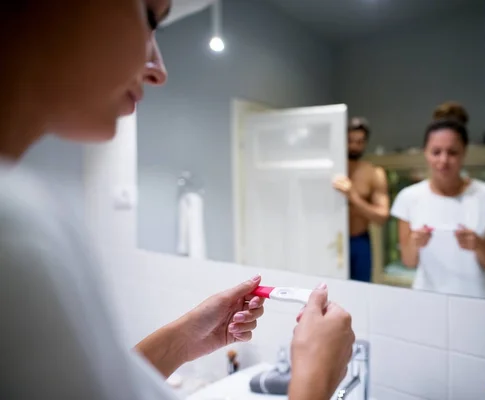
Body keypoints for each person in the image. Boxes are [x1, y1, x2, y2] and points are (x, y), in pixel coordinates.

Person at [0, 2, 355, 400]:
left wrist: (182, 341)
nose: (159, 70)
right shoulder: (16, 229)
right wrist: (315, 382)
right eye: (151, 18)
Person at [390, 110, 485, 298]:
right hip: (427, 298)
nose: (443, 160)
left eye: (452, 152)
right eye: (436, 152)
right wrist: (414, 242)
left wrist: (478, 245)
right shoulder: (409, 197)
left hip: (478, 298)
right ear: (425, 153)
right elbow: (409, 261)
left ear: (464, 153)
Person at [333, 117, 389, 283]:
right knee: (329, 288)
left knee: (361, 289)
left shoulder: (374, 173)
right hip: (330, 239)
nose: (355, 146)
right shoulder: (329, 170)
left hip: (359, 241)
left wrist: (353, 197)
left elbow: (382, 216)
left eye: (360, 142)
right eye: (350, 141)